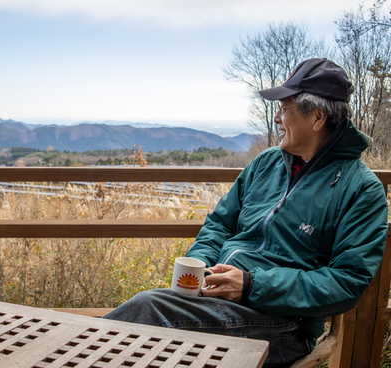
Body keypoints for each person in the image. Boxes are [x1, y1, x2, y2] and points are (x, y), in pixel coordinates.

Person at [102, 58, 389, 367]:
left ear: (318, 117)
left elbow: (346, 283)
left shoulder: (360, 190)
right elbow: (220, 223)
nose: (276, 118)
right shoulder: (266, 164)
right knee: (148, 332)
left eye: (283, 109)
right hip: (220, 301)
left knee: (150, 311)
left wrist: (252, 285)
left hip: (282, 324)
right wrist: (200, 266)